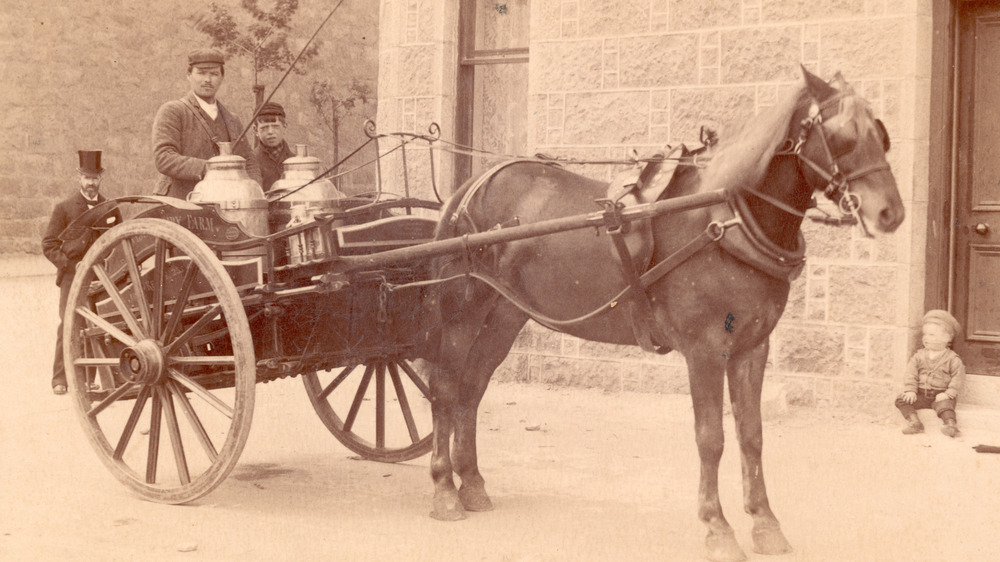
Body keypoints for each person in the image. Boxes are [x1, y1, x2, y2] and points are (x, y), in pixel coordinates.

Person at [41, 151, 121, 395]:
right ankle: (60, 379)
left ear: (101, 178)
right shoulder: (64, 208)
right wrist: (69, 265)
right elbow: (49, 244)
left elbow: (119, 243)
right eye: (86, 177)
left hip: (100, 278)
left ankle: (88, 379)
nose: (90, 183)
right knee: (69, 324)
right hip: (72, 276)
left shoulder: (111, 208)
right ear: (79, 178)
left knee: (95, 326)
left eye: (95, 178)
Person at [152, 47, 262, 199]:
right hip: (181, 202)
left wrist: (253, 191)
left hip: (224, 204)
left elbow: (248, 161)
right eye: (201, 72)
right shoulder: (173, 111)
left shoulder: (232, 119)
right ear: (189, 75)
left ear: (222, 78)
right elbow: (164, 158)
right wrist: (211, 168)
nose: (207, 80)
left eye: (214, 74)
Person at [894, 310, 966, 437]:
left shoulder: (952, 359)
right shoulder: (919, 356)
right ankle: (915, 422)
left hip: (941, 395)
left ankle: (950, 425)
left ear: (948, 337)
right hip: (921, 393)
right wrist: (910, 390)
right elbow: (911, 374)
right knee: (901, 400)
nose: (926, 338)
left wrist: (948, 394)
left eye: (931, 335)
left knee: (946, 406)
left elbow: (958, 378)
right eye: (924, 334)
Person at [253, 101, 296, 191]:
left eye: (275, 126)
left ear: (285, 126)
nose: (270, 132)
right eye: (264, 128)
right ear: (255, 130)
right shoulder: (251, 162)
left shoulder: (295, 161)